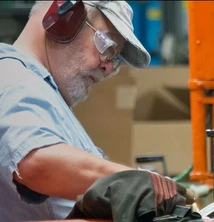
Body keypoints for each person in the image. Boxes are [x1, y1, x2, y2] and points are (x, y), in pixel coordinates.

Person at [0, 1, 193, 221]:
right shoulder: (12, 76)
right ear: (63, 17)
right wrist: (133, 181)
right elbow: (34, 163)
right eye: (107, 45)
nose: (109, 66)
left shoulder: (45, 96)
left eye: (114, 57)